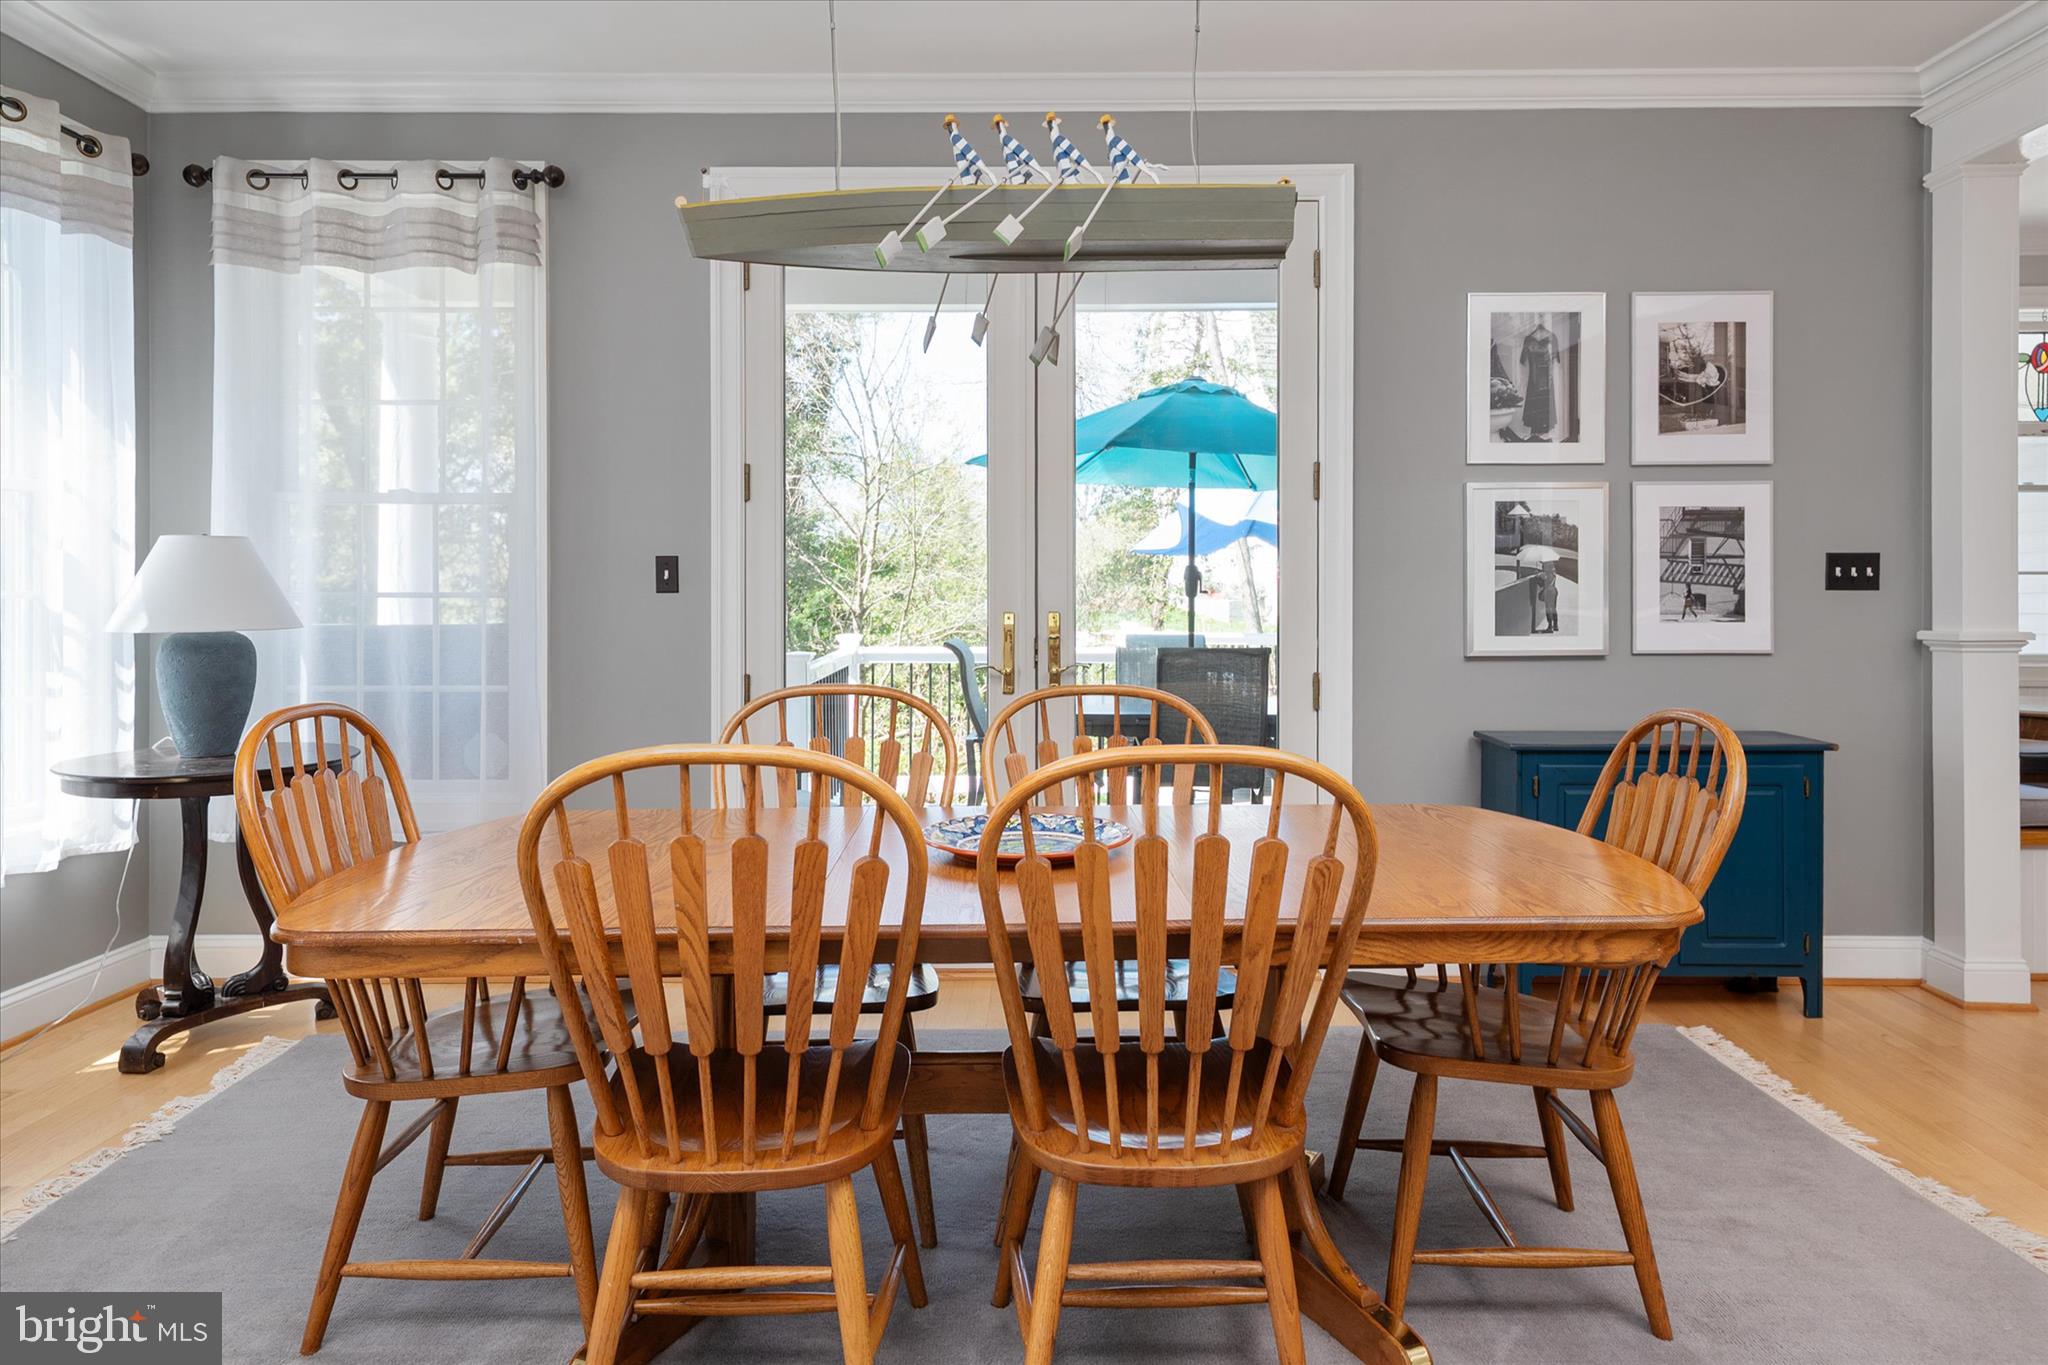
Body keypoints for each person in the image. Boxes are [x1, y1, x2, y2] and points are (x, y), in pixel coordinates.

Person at [1535, 564, 1560, 634]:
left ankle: (1550, 627)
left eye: (1543, 567)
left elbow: (1541, 584)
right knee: (1554, 609)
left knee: (1548, 609)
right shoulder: (1553, 574)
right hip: (1554, 591)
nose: (1543, 568)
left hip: (1548, 593)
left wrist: (1537, 577)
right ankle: (1555, 626)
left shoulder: (1546, 576)